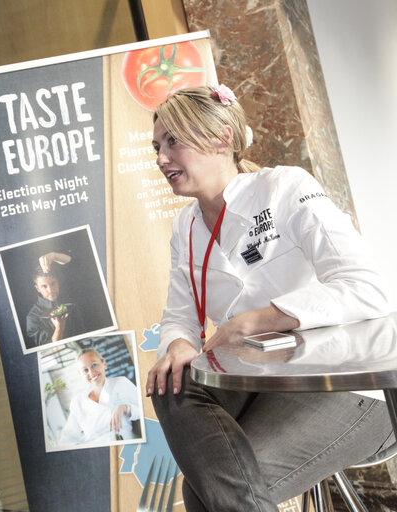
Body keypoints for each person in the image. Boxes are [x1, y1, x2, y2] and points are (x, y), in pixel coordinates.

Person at [145, 85, 393, 511]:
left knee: (202, 494)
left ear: (222, 138)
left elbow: (368, 287)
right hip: (263, 384)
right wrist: (180, 343)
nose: (161, 158)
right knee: (171, 381)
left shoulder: (284, 188)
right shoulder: (184, 227)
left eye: (173, 142)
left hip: (349, 387)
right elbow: (179, 318)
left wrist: (259, 320)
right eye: (156, 146)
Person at [59, 347, 140, 445]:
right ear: (81, 375)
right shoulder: (78, 401)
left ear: (104, 364)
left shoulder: (121, 383)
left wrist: (125, 407)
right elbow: (67, 438)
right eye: (85, 370)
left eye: (94, 365)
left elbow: (146, 410)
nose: (91, 373)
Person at [25, 251, 84, 347]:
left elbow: (74, 263)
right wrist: (59, 327)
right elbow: (51, 350)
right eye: (44, 286)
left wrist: (54, 255)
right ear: (37, 288)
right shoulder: (33, 317)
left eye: (53, 283)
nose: (50, 290)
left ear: (58, 282)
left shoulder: (70, 297)